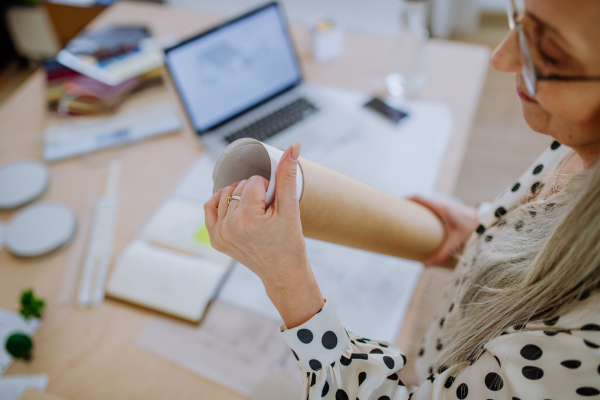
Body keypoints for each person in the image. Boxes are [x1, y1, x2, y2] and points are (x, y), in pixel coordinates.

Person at [203, 0, 600, 398]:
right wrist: (480, 228)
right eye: (520, 19)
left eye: (548, 53)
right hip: (443, 358)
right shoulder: (578, 139)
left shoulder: (585, 348)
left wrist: (287, 280)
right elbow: (541, 223)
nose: (501, 57)